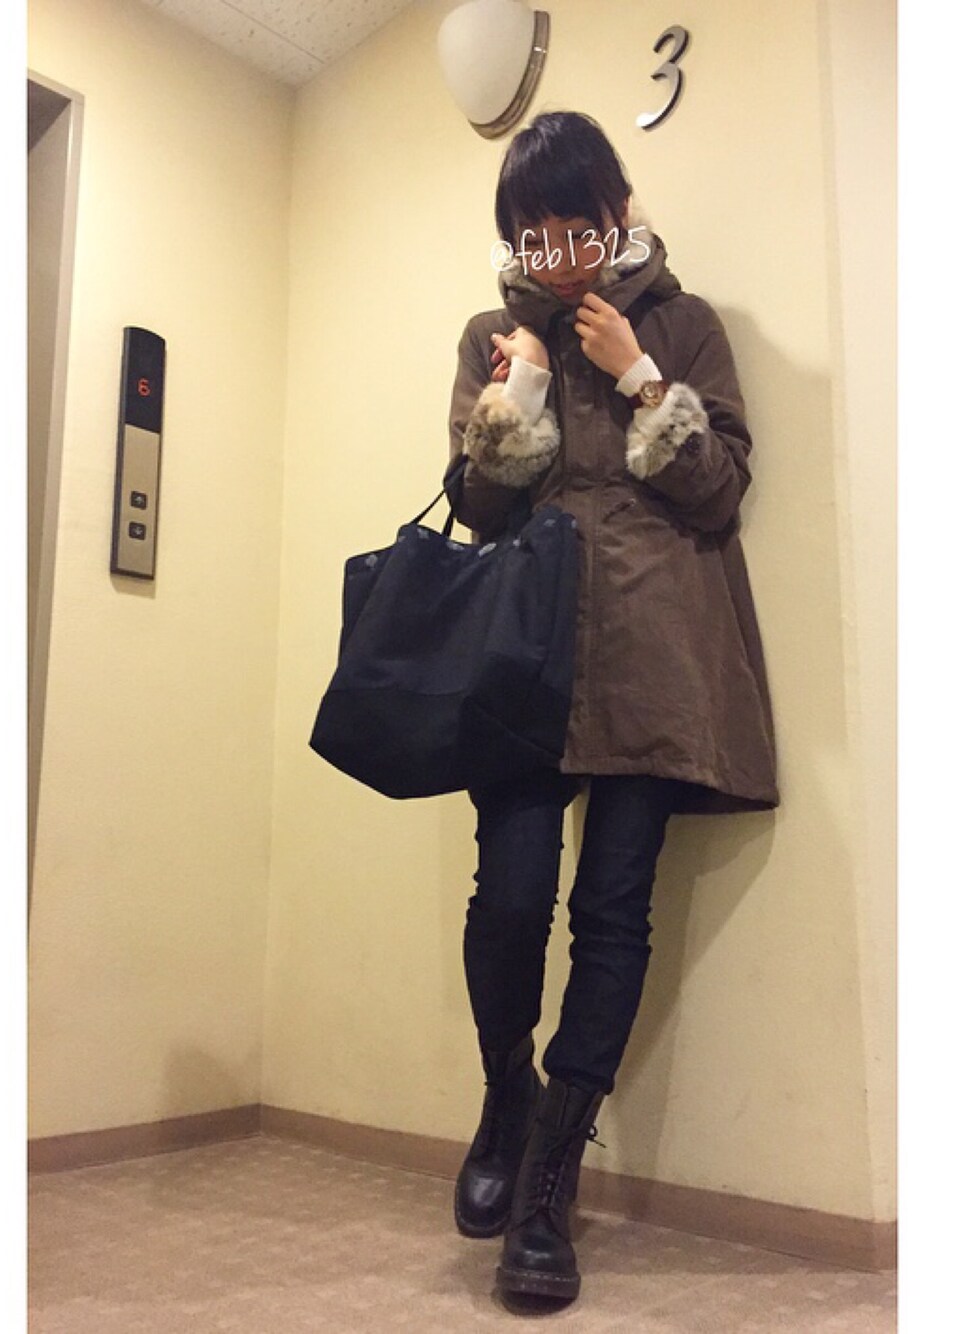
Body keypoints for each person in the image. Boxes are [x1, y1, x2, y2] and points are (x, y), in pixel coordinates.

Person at [444, 110, 779, 1306]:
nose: (555, 253)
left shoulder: (685, 326)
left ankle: (548, 1178)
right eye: (531, 234)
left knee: (611, 912)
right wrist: (517, 396)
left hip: (652, 654)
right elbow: (477, 509)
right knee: (509, 896)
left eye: (573, 226)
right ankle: (507, 1092)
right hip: (528, 653)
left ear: (618, 209)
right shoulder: (493, 336)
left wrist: (640, 374)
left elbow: (719, 492)